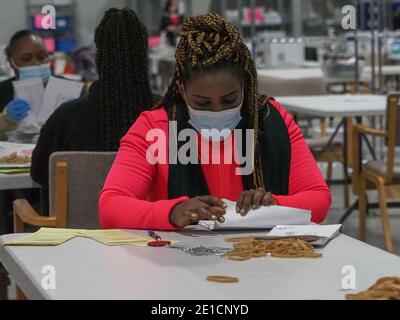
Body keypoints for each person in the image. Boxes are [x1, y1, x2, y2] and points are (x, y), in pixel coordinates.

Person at [99, 13, 331, 231]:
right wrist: (172, 212)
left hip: (262, 259)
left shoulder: (272, 121)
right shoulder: (154, 128)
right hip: (178, 265)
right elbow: (110, 207)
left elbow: (319, 199)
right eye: (201, 103)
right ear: (181, 89)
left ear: (245, 85)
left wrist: (274, 203)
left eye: (230, 99)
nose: (217, 111)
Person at [31, 8, 156, 214]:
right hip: (151, 236)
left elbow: (40, 174)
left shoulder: (66, 118)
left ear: (98, 57)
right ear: (145, 55)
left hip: (75, 240)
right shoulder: (167, 116)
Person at [0, 30, 51, 140]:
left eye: (42, 57)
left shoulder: (70, 89)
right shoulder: (2, 91)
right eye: (26, 59)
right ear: (11, 62)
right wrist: (7, 120)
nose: (37, 63)